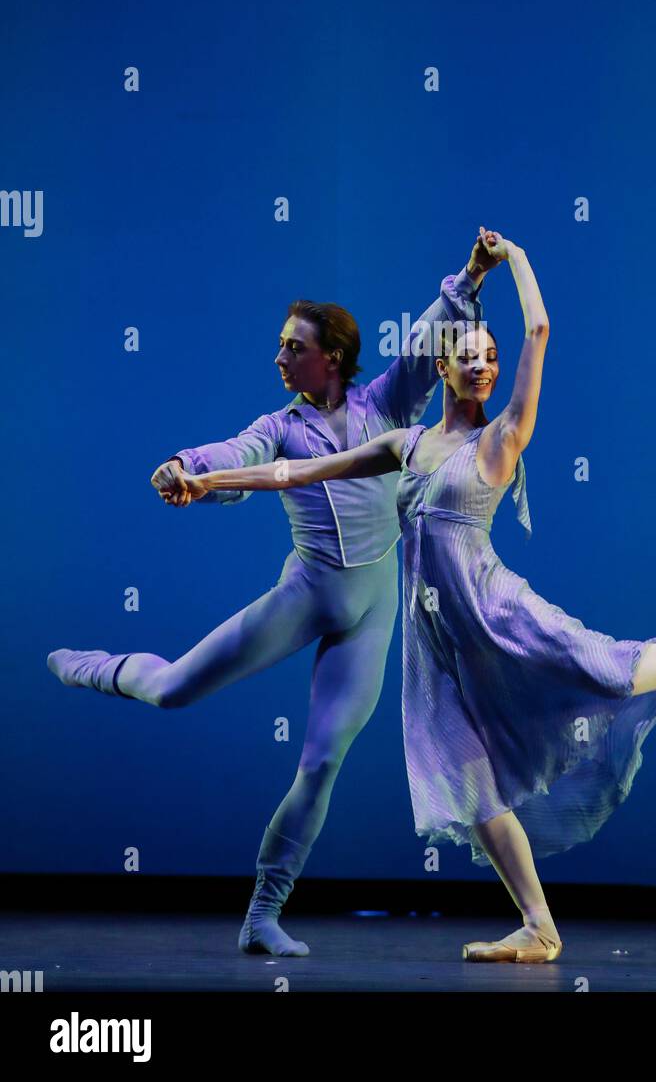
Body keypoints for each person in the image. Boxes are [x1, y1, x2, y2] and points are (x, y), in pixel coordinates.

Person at [168, 229, 656, 965]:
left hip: (494, 608)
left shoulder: (504, 435)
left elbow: (538, 327)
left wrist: (513, 261)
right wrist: (205, 480)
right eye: (468, 358)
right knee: (471, 786)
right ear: (442, 366)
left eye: (490, 360)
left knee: (606, 666)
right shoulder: (406, 444)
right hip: (436, 642)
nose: (481, 368)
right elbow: (293, 475)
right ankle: (539, 926)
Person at [47, 230, 502, 957]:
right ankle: (93, 666)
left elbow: (428, 341)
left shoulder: (386, 404)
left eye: (293, 346)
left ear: (333, 358)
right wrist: (183, 467)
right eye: (282, 345)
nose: (280, 357)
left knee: (322, 759)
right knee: (170, 691)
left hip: (374, 604)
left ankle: (263, 911)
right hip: (310, 592)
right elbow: (234, 457)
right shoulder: (278, 427)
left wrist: (472, 274)